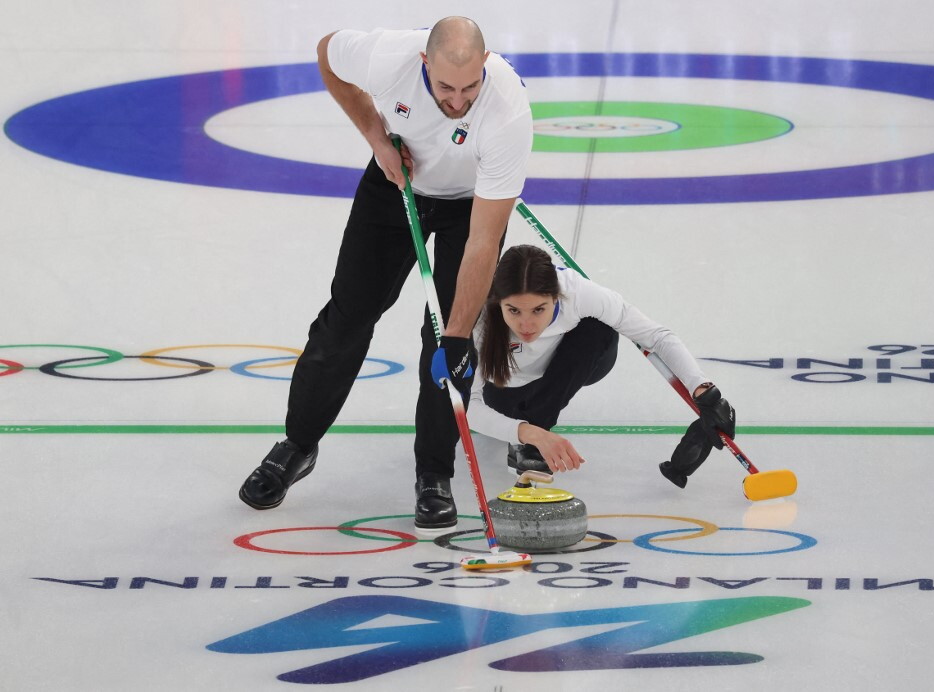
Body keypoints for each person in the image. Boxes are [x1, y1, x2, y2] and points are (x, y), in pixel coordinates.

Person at [238, 17, 533, 530]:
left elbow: (485, 239)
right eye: (445, 87)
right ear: (424, 62)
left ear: (486, 66)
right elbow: (328, 52)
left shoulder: (508, 111)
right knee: (348, 318)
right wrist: (377, 137)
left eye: (469, 87)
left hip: (470, 207)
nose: (458, 101)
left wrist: (460, 335)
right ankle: (297, 445)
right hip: (396, 185)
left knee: (443, 342)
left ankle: (434, 475)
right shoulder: (387, 58)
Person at [468, 244, 736, 488]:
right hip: (505, 392)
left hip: (568, 372)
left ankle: (539, 424)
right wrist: (526, 432)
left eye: (539, 309)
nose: (526, 325)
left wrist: (702, 388)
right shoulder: (477, 316)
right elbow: (466, 406)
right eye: (513, 310)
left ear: (556, 297)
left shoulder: (579, 293)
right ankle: (530, 438)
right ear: (498, 301)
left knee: (599, 328)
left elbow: (656, 337)